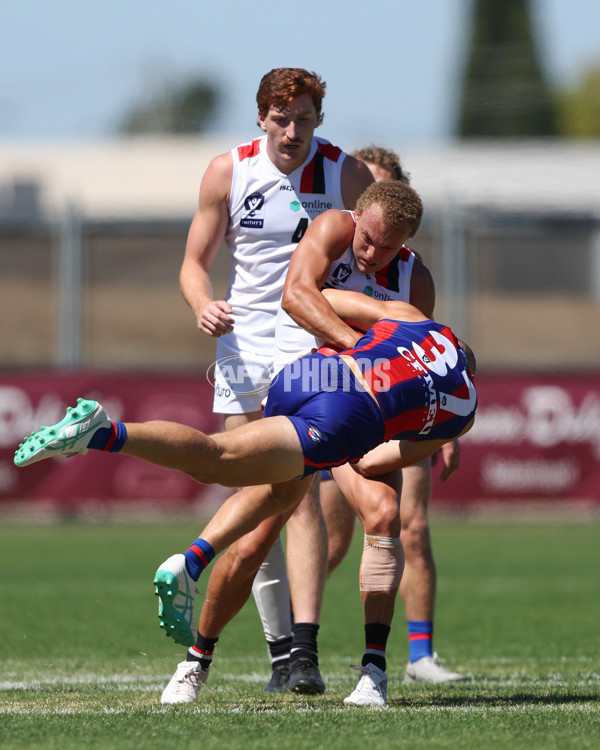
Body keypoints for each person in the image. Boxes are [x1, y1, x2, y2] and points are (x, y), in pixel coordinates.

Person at [14, 290, 477, 709]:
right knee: (219, 459)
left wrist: (358, 353)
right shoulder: (465, 402)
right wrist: (349, 443)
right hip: (347, 417)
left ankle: (193, 576)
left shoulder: (414, 317)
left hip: (310, 370)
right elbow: (378, 464)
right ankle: (106, 432)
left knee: (272, 499)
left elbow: (324, 295)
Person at [176, 66, 373, 695]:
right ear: (260, 117)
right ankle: (280, 651)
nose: (292, 130)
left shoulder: (346, 173)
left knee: (299, 489)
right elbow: (193, 264)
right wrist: (201, 303)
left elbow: (375, 257)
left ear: (320, 119)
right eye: (281, 118)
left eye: (305, 118)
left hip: (310, 340)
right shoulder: (227, 170)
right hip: (242, 344)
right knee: (258, 485)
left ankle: (301, 651)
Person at [319, 146, 466, 685]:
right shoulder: (329, 241)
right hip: (337, 404)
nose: (373, 242)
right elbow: (300, 297)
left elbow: (428, 353)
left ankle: (420, 655)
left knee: (412, 523)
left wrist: (445, 427)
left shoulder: (412, 276)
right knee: (334, 538)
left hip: (400, 414)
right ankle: (294, 639)